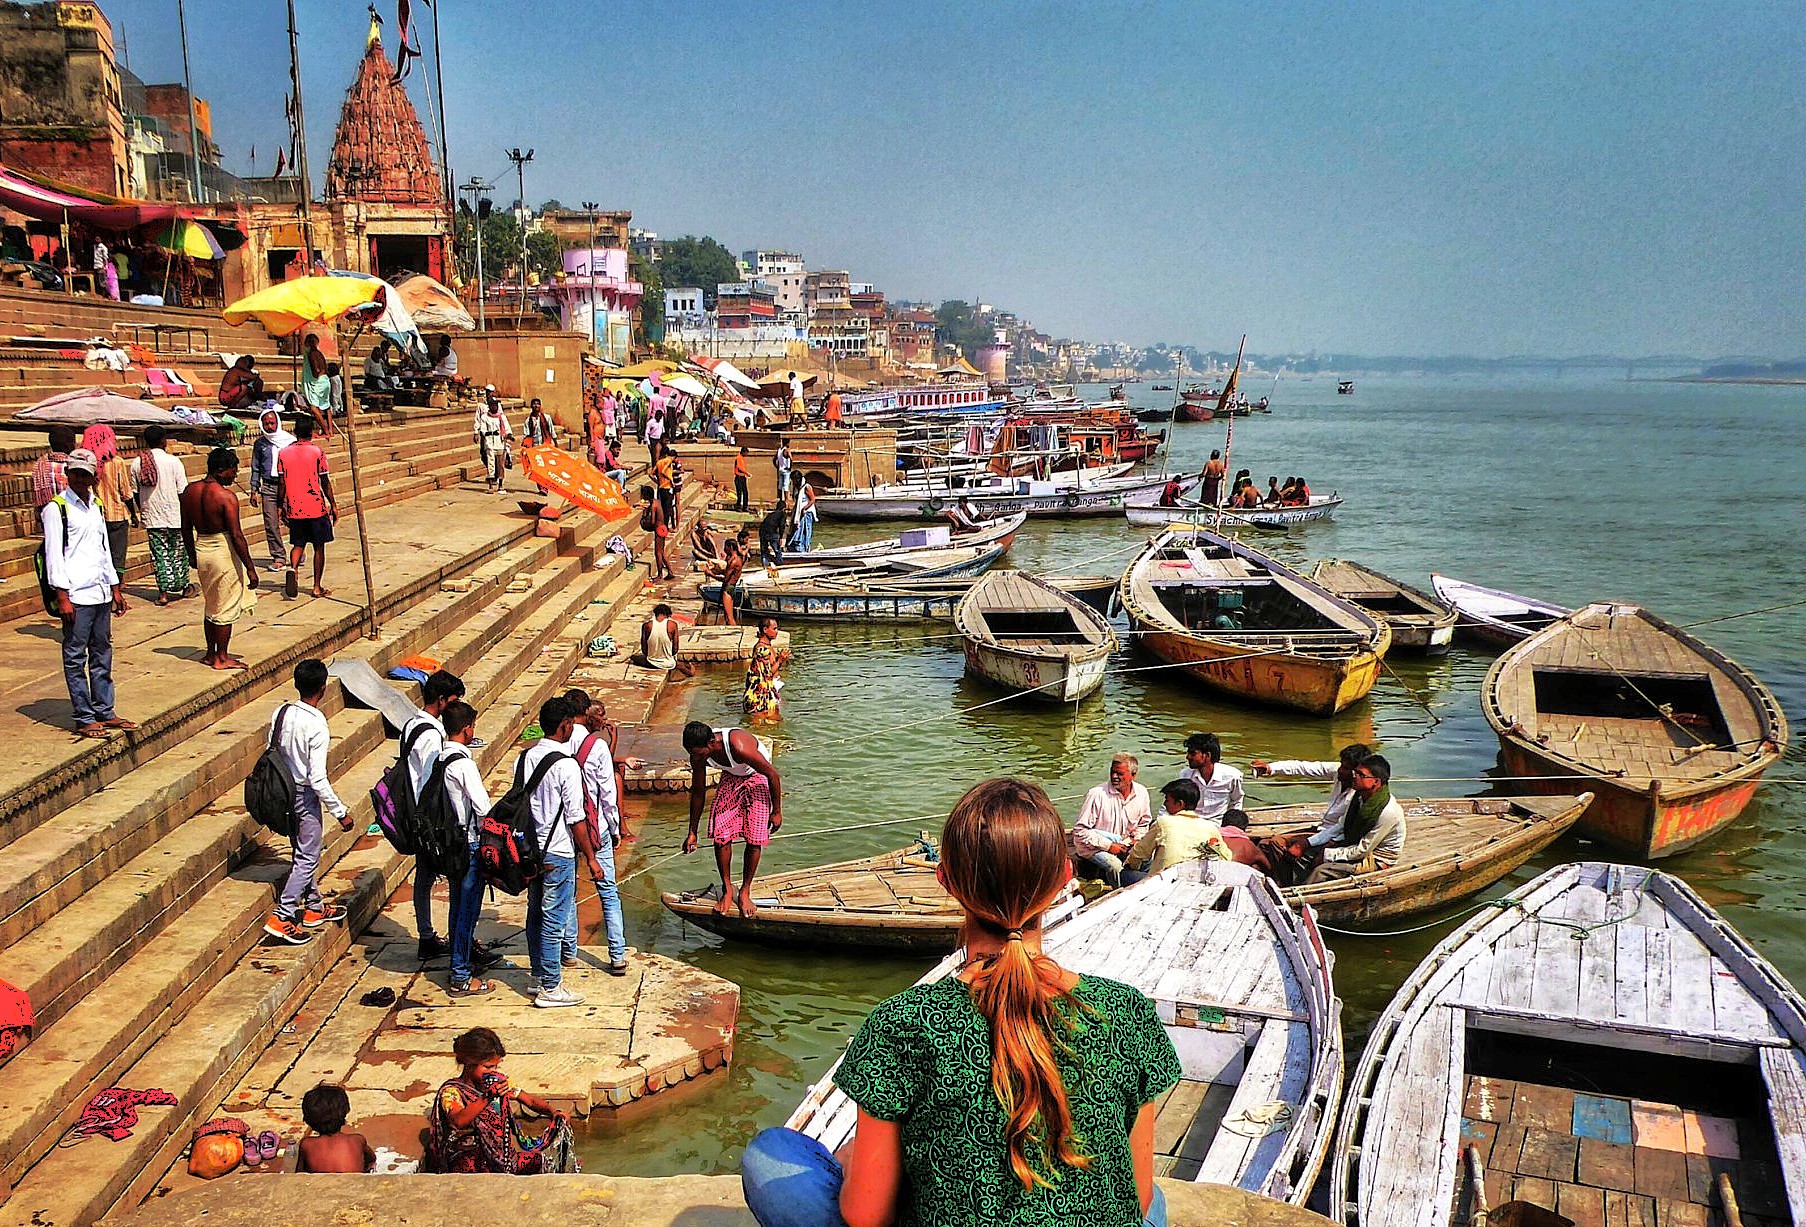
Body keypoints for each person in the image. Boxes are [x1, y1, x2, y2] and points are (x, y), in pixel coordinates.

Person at [741, 777, 1181, 1227]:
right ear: (1064, 880)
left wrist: (862, 1159)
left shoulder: (903, 1023)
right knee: (1158, 1202)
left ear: (945, 881)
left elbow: (865, 1216)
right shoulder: (1128, 1012)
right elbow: (1138, 1199)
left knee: (770, 1155)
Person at [43, 449, 134, 739]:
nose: (82, 479)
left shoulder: (96, 506)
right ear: (68, 475)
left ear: (95, 476)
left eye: (87, 474)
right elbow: (53, 556)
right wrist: (63, 596)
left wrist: (115, 587)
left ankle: (105, 710)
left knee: (101, 652)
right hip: (76, 593)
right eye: (76, 474)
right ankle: (84, 715)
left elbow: (103, 549)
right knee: (74, 655)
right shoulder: (56, 509)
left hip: (99, 592)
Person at [263, 658, 353, 945]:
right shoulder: (316, 724)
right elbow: (317, 778)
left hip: (281, 792)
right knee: (307, 856)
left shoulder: (281, 711)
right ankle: (283, 914)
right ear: (324, 688)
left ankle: (314, 907)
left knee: (302, 851)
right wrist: (340, 812)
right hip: (303, 796)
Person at [519, 698, 596, 1008]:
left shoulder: (524, 758)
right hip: (558, 851)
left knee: (535, 912)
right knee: (554, 918)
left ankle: (539, 976)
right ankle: (551, 987)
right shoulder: (566, 765)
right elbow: (576, 818)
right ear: (565, 726)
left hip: (530, 850)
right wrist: (590, 857)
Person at [427, 1027, 573, 1174]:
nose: (493, 1070)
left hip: (499, 1156)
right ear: (469, 1063)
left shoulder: (499, 1083)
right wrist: (488, 1097)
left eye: (496, 1066)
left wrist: (554, 1113)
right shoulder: (452, 1092)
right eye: (488, 1066)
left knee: (543, 1163)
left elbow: (530, 1101)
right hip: (467, 1158)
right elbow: (458, 1120)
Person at [435, 700, 505, 998]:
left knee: (458, 905)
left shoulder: (438, 759)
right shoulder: (462, 764)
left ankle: (459, 961)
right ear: (468, 729)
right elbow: (483, 808)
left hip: (448, 843)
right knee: (467, 909)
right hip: (468, 844)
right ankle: (460, 975)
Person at [682, 722, 783, 919]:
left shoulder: (738, 746)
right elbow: (698, 792)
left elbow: (772, 774)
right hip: (731, 776)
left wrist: (776, 811)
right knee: (720, 835)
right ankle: (728, 889)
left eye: (700, 754)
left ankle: (745, 891)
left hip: (757, 776)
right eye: (692, 754)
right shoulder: (698, 754)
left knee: (754, 837)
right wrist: (692, 831)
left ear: (712, 743)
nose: (696, 758)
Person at [564, 689, 630, 977]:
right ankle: (617, 955)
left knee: (569, 891)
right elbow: (608, 793)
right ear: (586, 712)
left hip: (566, 831)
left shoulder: (555, 743)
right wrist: (616, 829)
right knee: (608, 892)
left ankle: (568, 952)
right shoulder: (597, 746)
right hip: (596, 828)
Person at [405, 670, 467, 963]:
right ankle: (440, 939)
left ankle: (427, 935)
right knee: (448, 875)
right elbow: (433, 779)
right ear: (441, 701)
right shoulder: (430, 735)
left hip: (418, 812)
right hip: (430, 817)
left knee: (425, 876)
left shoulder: (412, 724)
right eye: (453, 701)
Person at [181, 447, 260, 669]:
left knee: (211, 604)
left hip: (202, 549)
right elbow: (237, 535)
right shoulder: (226, 497)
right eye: (232, 471)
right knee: (224, 605)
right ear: (220, 470)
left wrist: (191, 555)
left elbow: (185, 528)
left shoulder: (189, 491)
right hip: (222, 551)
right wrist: (250, 568)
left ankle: (209, 653)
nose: (235, 475)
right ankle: (222, 657)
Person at [1299, 755, 1405, 883]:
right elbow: (1339, 826)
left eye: (1361, 774)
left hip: (1376, 857)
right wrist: (1307, 843)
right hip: (1354, 844)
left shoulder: (1388, 812)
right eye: (1355, 772)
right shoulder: (1358, 797)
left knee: (1321, 871)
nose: (1354, 776)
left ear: (1376, 782)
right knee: (1306, 854)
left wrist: (1328, 855)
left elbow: (1363, 850)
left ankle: (1300, 896)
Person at [1121, 779, 1232, 886]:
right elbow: (1226, 856)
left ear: (1180, 804)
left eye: (1167, 800)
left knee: (1125, 874)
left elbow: (1138, 853)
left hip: (1163, 884)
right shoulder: (1210, 827)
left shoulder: (1163, 823)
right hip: (1196, 883)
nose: (1165, 804)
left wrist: (1131, 865)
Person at [1068, 753, 1153, 889]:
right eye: (1112, 772)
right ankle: (1117, 892)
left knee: (1148, 855)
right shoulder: (1097, 794)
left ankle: (1142, 885)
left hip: (1124, 842)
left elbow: (1143, 823)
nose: (1114, 777)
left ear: (1133, 775)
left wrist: (1137, 840)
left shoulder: (1142, 793)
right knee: (1115, 866)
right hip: (1093, 846)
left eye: (1119, 774)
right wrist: (1109, 846)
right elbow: (1080, 831)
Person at [276, 415, 338, 599]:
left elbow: (281, 483)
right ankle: (317, 587)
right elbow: (325, 481)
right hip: (315, 507)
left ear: (295, 432)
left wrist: (281, 505)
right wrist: (333, 504)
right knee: (319, 547)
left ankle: (292, 569)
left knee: (298, 543)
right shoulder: (317, 452)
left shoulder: (283, 453)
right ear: (311, 432)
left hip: (295, 506)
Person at [135, 424, 192, 605]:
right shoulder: (173, 462)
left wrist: (143, 510)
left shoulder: (138, 463)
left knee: (159, 555)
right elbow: (182, 491)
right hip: (174, 514)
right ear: (164, 441)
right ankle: (184, 587)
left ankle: (163, 593)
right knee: (178, 553)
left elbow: (135, 493)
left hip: (152, 516)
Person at [83, 425, 137, 579]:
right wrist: (133, 514)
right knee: (118, 556)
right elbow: (126, 492)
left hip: (96, 516)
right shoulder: (117, 462)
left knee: (101, 555)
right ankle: (117, 588)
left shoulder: (88, 463)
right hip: (117, 515)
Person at [250, 409, 295, 573]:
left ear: (278, 423)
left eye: (272, 423)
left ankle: (299, 548)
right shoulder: (260, 444)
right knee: (271, 523)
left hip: (288, 485)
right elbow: (255, 468)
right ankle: (278, 557)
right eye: (266, 423)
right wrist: (253, 489)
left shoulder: (290, 442)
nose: (269, 426)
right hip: (268, 486)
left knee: (292, 519)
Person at [295, 1084, 374, 1173]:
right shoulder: (357, 1140)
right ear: (345, 1112)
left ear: (307, 1119)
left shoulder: (306, 1144)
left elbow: (299, 1174)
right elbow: (371, 1159)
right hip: (354, 1185)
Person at [1179, 732, 1244, 820]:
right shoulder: (1185, 775)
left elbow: (1237, 801)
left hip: (1218, 822)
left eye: (1193, 753)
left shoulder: (1232, 776)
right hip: (1193, 821)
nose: (1188, 757)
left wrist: (1232, 822)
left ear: (1207, 755)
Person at [743, 616, 789, 722]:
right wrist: (780, 661)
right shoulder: (761, 649)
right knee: (760, 725)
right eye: (774, 628)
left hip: (768, 690)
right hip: (759, 696)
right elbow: (766, 674)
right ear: (765, 630)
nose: (777, 632)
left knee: (776, 721)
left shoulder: (768, 647)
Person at [31, 424, 77, 519]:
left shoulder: (40, 464)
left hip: (48, 515)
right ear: (68, 446)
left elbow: (38, 497)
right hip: (72, 515)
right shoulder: (73, 464)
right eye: (74, 443)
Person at [474, 394, 513, 495]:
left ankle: (500, 485)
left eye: (495, 405)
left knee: (500, 465)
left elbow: (507, 429)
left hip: (500, 443)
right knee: (491, 464)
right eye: (492, 405)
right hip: (490, 443)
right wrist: (492, 433)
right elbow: (483, 430)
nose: (494, 407)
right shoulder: (485, 417)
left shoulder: (502, 417)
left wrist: (509, 436)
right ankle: (491, 485)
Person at [639, 484, 672, 582]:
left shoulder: (653, 506)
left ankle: (660, 574)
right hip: (663, 528)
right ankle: (670, 572)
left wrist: (645, 519)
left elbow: (653, 521)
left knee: (657, 553)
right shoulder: (656, 502)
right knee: (661, 552)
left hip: (658, 530)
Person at [300, 335, 331, 433]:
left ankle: (325, 429)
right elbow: (325, 367)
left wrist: (316, 374)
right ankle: (330, 430)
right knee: (326, 406)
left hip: (318, 382)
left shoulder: (312, 353)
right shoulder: (319, 353)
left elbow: (316, 370)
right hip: (325, 380)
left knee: (313, 407)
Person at [638, 602, 683, 671]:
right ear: (668, 615)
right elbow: (675, 648)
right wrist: (668, 655)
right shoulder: (673, 625)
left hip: (651, 662)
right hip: (669, 663)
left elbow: (644, 649)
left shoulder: (646, 625)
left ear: (655, 613)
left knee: (634, 657)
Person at [717, 538, 745, 627]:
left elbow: (725, 578)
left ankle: (735, 633)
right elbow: (725, 571)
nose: (724, 549)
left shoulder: (734, 561)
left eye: (726, 547)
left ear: (730, 547)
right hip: (730, 588)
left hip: (728, 589)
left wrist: (710, 574)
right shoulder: (733, 558)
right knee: (726, 615)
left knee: (729, 617)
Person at [787, 473, 818, 553]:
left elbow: (812, 500)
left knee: (806, 531)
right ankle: (796, 548)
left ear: (798, 479)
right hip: (798, 513)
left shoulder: (806, 487)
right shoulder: (796, 488)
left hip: (807, 513)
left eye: (794, 479)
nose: (793, 481)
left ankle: (805, 548)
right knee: (796, 530)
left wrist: (804, 508)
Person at [653, 442, 677, 527]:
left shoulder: (659, 462)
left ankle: (661, 525)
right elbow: (663, 470)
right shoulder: (669, 460)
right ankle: (665, 526)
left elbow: (650, 474)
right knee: (667, 509)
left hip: (661, 487)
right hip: (667, 487)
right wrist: (671, 480)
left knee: (662, 508)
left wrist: (657, 481)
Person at [774, 438, 793, 506]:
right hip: (786, 470)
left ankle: (780, 499)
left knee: (780, 485)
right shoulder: (787, 450)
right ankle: (786, 499)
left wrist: (777, 467)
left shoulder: (779, 450)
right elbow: (791, 459)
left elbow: (774, 460)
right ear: (787, 443)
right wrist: (790, 468)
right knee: (786, 485)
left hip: (780, 469)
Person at [732, 445, 751, 512]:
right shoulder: (738, 458)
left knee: (745, 492)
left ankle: (745, 507)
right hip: (739, 477)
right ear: (743, 452)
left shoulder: (742, 458)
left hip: (743, 477)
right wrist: (747, 473)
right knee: (739, 493)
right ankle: (738, 507)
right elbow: (739, 468)